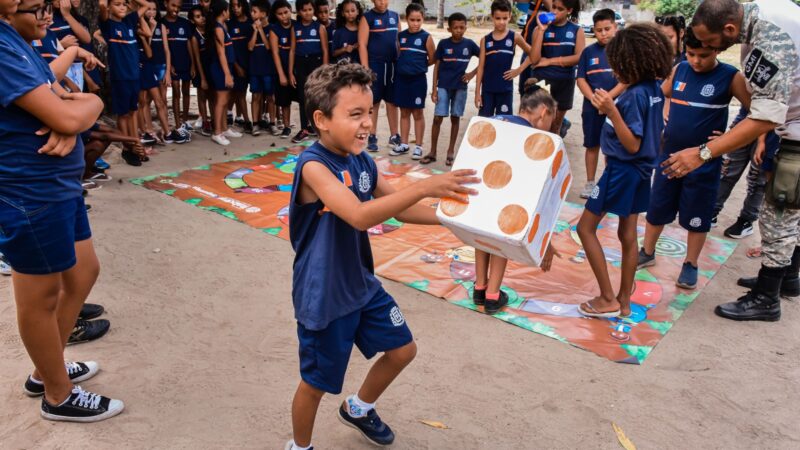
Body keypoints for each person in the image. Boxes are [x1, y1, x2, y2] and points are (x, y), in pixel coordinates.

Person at [285, 61, 479, 450]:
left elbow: (398, 208)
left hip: (360, 283)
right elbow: (358, 216)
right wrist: (426, 187)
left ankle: (358, 407)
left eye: (369, 112)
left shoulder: (362, 162)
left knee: (403, 349)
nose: (367, 123)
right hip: (325, 295)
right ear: (321, 119)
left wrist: (455, 223)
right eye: (354, 114)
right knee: (316, 384)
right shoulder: (314, 167)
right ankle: (299, 447)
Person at [0, 0, 123, 421]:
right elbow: (71, 111)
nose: (46, 15)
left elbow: (59, 98)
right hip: (29, 190)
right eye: (36, 7)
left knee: (84, 272)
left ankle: (46, 367)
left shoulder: (21, 41)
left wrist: (73, 112)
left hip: (58, 185)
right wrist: (82, 109)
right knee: (41, 297)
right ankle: (57, 394)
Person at [663, 0, 800, 322]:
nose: (706, 48)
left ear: (729, 29)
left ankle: (767, 298)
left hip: (794, 133)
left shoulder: (770, 38)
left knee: (779, 211)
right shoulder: (761, 14)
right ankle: (787, 277)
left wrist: (704, 153)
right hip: (790, 126)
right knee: (792, 209)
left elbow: (766, 115)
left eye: (710, 44)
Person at [638, 26, 750, 290]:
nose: (697, 61)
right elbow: (663, 93)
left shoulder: (731, 77)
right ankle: (647, 251)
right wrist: (664, 113)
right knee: (657, 208)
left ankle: (690, 264)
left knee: (697, 216)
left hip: (704, 162)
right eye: (691, 54)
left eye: (704, 55)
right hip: (669, 158)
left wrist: (726, 138)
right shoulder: (679, 70)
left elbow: (755, 110)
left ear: (717, 49)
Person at [576, 24, 672, 318]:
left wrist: (611, 109)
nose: (613, 69)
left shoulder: (631, 98)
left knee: (584, 228)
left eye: (616, 63)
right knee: (627, 234)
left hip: (622, 171)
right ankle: (624, 302)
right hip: (640, 172)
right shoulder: (652, 89)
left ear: (631, 63)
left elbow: (632, 144)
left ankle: (607, 298)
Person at [473, 80, 560, 314]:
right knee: (501, 239)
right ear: (544, 113)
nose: (550, 130)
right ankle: (492, 295)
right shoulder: (531, 137)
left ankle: (479, 287)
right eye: (551, 123)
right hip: (507, 198)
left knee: (480, 235)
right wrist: (544, 240)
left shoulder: (497, 120)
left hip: (481, 193)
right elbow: (534, 190)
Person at [576, 8, 623, 199]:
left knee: (612, 148)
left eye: (607, 28)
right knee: (592, 145)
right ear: (593, 31)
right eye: (599, 30)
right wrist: (595, 101)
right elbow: (581, 80)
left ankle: (609, 183)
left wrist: (607, 100)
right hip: (592, 108)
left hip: (616, 109)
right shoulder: (588, 53)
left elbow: (627, 80)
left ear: (615, 27)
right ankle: (589, 183)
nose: (603, 33)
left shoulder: (623, 50)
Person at [712, 106, 779, 239]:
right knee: (727, 171)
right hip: (745, 121)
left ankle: (746, 220)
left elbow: (771, 110)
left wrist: (761, 140)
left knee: (757, 179)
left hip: (770, 129)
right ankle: (711, 211)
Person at [422, 11, 478, 166]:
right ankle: (432, 152)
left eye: (461, 27)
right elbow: (437, 67)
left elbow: (485, 58)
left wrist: (472, 74)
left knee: (455, 118)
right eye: (455, 28)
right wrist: (434, 89)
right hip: (443, 87)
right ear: (449, 29)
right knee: (437, 117)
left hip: (460, 87)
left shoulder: (470, 45)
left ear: (466, 28)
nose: (458, 30)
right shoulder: (444, 44)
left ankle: (450, 151)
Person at [99, 0, 150, 166]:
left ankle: (135, 145)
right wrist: (105, 6)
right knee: (123, 114)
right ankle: (128, 148)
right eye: (117, 4)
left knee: (132, 111)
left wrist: (132, 3)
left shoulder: (129, 22)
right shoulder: (108, 25)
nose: (121, 7)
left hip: (134, 76)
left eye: (124, 4)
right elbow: (101, 5)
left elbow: (145, 5)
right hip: (120, 77)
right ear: (109, 7)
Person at [529, 0, 583, 136]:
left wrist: (550, 61)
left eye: (560, 9)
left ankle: (552, 155)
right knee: (538, 123)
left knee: (556, 125)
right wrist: (541, 30)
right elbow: (534, 59)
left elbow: (579, 57)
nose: (554, 11)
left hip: (565, 82)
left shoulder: (577, 30)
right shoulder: (539, 28)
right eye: (553, 7)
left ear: (569, 11)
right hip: (542, 82)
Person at [389, 2, 434, 160]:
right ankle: (404, 144)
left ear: (423, 19)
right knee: (404, 112)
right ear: (406, 19)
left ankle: (419, 146)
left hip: (418, 81)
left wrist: (419, 66)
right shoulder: (400, 37)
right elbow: (399, 55)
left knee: (418, 113)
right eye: (412, 20)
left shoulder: (426, 37)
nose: (415, 24)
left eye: (418, 20)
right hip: (402, 80)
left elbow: (433, 58)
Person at [475, 0, 531, 117]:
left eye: (505, 18)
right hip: (487, 90)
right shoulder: (485, 40)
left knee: (504, 123)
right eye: (498, 18)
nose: (501, 22)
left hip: (505, 90)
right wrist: (477, 92)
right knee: (486, 122)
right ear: (492, 17)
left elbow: (533, 55)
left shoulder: (515, 37)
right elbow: (481, 67)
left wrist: (519, 70)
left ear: (510, 16)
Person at [358, 0, 401, 151]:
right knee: (374, 102)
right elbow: (362, 44)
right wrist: (366, 70)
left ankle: (395, 135)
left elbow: (398, 41)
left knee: (392, 102)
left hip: (392, 65)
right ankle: (372, 135)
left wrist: (400, 61)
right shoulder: (367, 18)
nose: (382, 2)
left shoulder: (395, 16)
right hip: (375, 65)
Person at [290, 0, 329, 143]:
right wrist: (290, 72)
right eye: (304, 10)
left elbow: (325, 50)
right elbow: (292, 50)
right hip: (300, 64)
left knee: (317, 97)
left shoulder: (319, 27)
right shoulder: (295, 28)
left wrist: (324, 71)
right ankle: (304, 129)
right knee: (303, 97)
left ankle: (317, 127)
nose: (307, 12)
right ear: (299, 12)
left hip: (316, 64)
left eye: (310, 9)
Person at [207, 0, 243, 146]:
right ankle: (217, 132)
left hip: (226, 66)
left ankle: (224, 128)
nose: (230, 11)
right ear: (223, 11)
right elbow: (221, 53)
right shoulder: (218, 29)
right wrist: (227, 74)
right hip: (220, 68)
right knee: (221, 100)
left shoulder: (223, 26)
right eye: (228, 9)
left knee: (225, 98)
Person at [163, 0, 195, 133]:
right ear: (166, 4)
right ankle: (177, 124)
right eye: (173, 5)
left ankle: (185, 120)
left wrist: (193, 64)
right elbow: (163, 49)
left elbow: (189, 44)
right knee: (176, 93)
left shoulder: (185, 23)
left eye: (179, 7)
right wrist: (168, 66)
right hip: (173, 65)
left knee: (186, 91)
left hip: (186, 64)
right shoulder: (162, 23)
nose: (176, 9)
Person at [248, 0, 276, 136]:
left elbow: (269, 46)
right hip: (254, 68)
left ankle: (272, 123)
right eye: (252, 11)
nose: (252, 14)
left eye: (255, 11)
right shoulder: (250, 27)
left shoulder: (272, 28)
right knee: (256, 96)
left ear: (264, 14)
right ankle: (255, 124)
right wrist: (255, 31)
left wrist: (260, 30)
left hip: (268, 68)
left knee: (270, 97)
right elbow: (250, 47)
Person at [50, 0, 90, 91]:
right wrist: (61, 44)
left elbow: (87, 39)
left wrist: (67, 15)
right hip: (57, 67)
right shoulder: (47, 17)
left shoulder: (73, 17)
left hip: (77, 68)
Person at [269, 0, 295, 139]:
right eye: (280, 14)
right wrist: (281, 75)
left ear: (291, 11)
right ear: (276, 15)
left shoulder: (297, 26)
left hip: (297, 68)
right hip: (281, 70)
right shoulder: (274, 30)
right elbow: (275, 53)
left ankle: (307, 126)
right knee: (284, 101)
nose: (284, 16)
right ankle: (286, 126)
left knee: (304, 99)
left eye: (286, 12)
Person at [228, 0, 253, 133]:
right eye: (233, 6)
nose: (236, 9)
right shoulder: (230, 24)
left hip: (252, 64)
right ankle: (247, 121)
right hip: (237, 65)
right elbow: (229, 49)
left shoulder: (251, 23)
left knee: (252, 93)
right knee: (240, 92)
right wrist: (236, 65)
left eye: (238, 5)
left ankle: (259, 119)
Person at [189, 4, 212, 136]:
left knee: (212, 96)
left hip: (211, 68)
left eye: (203, 15)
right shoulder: (194, 37)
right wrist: (202, 77)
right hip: (201, 69)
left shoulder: (211, 31)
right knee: (202, 95)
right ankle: (204, 121)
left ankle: (214, 120)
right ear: (193, 20)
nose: (202, 18)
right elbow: (197, 59)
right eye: (198, 17)